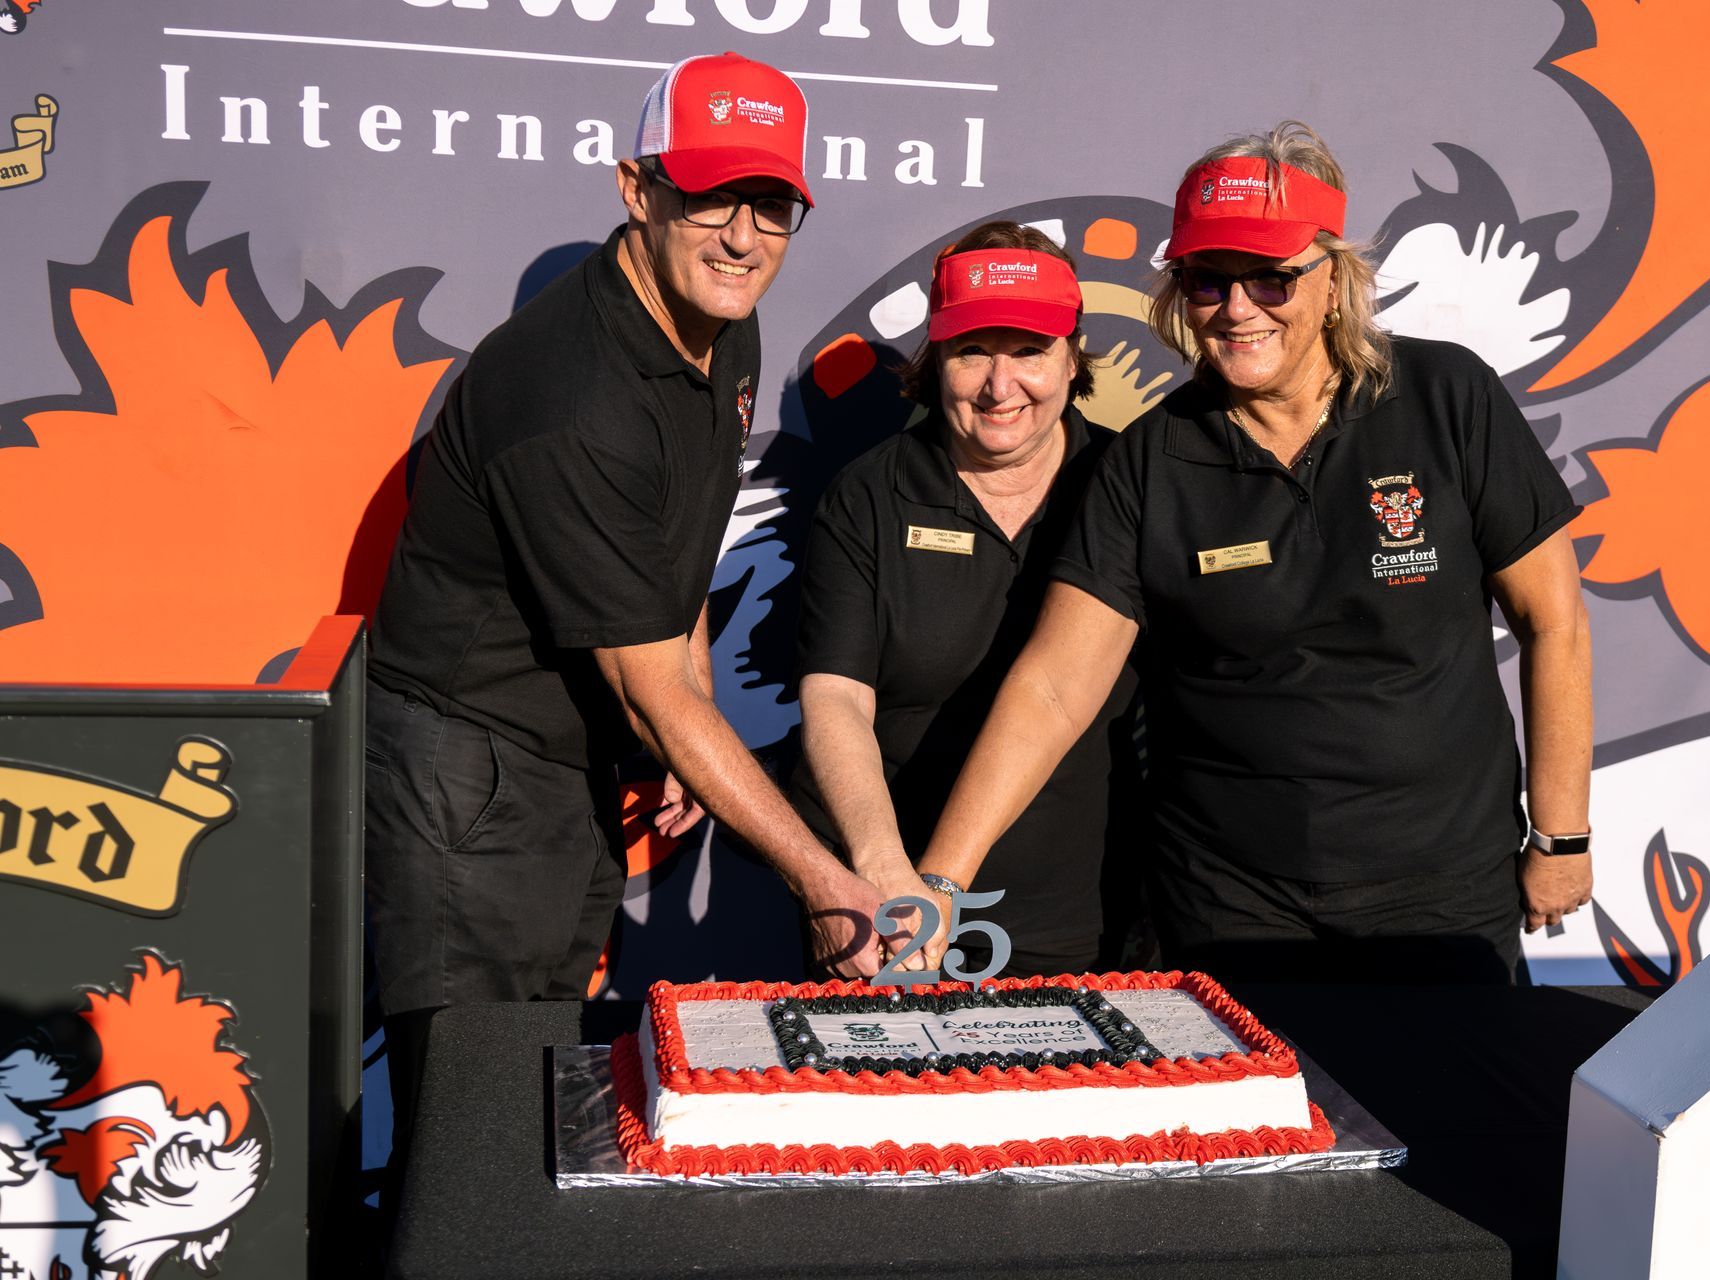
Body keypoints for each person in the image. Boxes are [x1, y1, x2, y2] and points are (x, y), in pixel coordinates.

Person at [908, 122, 1592, 985]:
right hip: (1230, 904)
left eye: (1272, 277)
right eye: (1207, 280)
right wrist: (941, 878)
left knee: (1453, 1118)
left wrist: (1561, 835)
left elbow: (1554, 622)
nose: (1238, 309)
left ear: (1333, 279)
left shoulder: (1447, 398)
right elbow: (1054, 686)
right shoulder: (1151, 461)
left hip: (1442, 890)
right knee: (1260, 1126)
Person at [364, 53, 884, 1156]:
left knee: (536, 1085)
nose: (743, 236)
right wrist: (824, 875)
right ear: (637, 189)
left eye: (772, 204)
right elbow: (646, 687)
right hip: (470, 774)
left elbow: (678, 548)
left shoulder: (719, 322)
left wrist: (688, 708)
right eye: (709, 196)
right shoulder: (571, 394)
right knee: (469, 1129)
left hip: (569, 758)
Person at [789, 224, 1137, 978]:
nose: (998, 386)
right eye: (973, 351)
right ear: (934, 359)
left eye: (1029, 352)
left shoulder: (1129, 484)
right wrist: (883, 869)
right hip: (884, 905)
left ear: (1073, 356)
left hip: (1075, 914)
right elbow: (836, 697)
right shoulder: (870, 494)